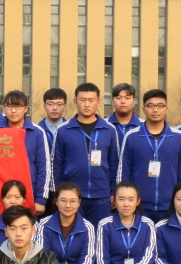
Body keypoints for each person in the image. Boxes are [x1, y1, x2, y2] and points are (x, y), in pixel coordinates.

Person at [53, 83, 120, 226]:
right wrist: (58, 193)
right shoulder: (63, 130)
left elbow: (114, 163)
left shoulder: (109, 129)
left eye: (91, 100)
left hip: (102, 196)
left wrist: (113, 192)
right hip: (72, 196)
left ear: (98, 101)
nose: (87, 104)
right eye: (82, 100)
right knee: (74, 233)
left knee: (101, 233)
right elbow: (57, 164)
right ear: (75, 101)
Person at [118, 89, 181, 222]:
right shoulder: (132, 136)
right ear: (143, 109)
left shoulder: (178, 137)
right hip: (139, 206)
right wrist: (124, 199)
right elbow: (124, 171)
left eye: (160, 106)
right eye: (150, 106)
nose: (155, 110)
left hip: (170, 205)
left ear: (166, 109)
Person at [36, 182, 95, 264]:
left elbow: (88, 259)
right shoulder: (44, 224)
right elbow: (42, 254)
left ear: (79, 202)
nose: (68, 205)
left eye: (73, 201)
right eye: (63, 200)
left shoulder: (88, 227)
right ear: (56, 201)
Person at [3, 90, 50, 214]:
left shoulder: (37, 132)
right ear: (4, 108)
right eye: (9, 106)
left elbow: (44, 167)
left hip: (29, 193)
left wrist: (40, 199)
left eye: (18, 106)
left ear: (26, 109)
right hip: (2, 195)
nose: (13, 111)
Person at [0, 180, 30, 263]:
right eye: (8, 197)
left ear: (24, 199)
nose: (12, 201)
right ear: (2, 199)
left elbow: (40, 256)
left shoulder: (33, 225)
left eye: (17, 197)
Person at [107, 83, 144, 147]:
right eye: (118, 98)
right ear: (112, 101)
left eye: (127, 98)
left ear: (134, 101)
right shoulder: (103, 125)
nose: (123, 101)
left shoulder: (144, 126)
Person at [37, 88, 67, 158]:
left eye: (59, 104)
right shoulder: (37, 130)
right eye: (50, 104)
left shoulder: (71, 130)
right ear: (44, 106)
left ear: (64, 107)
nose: (54, 108)